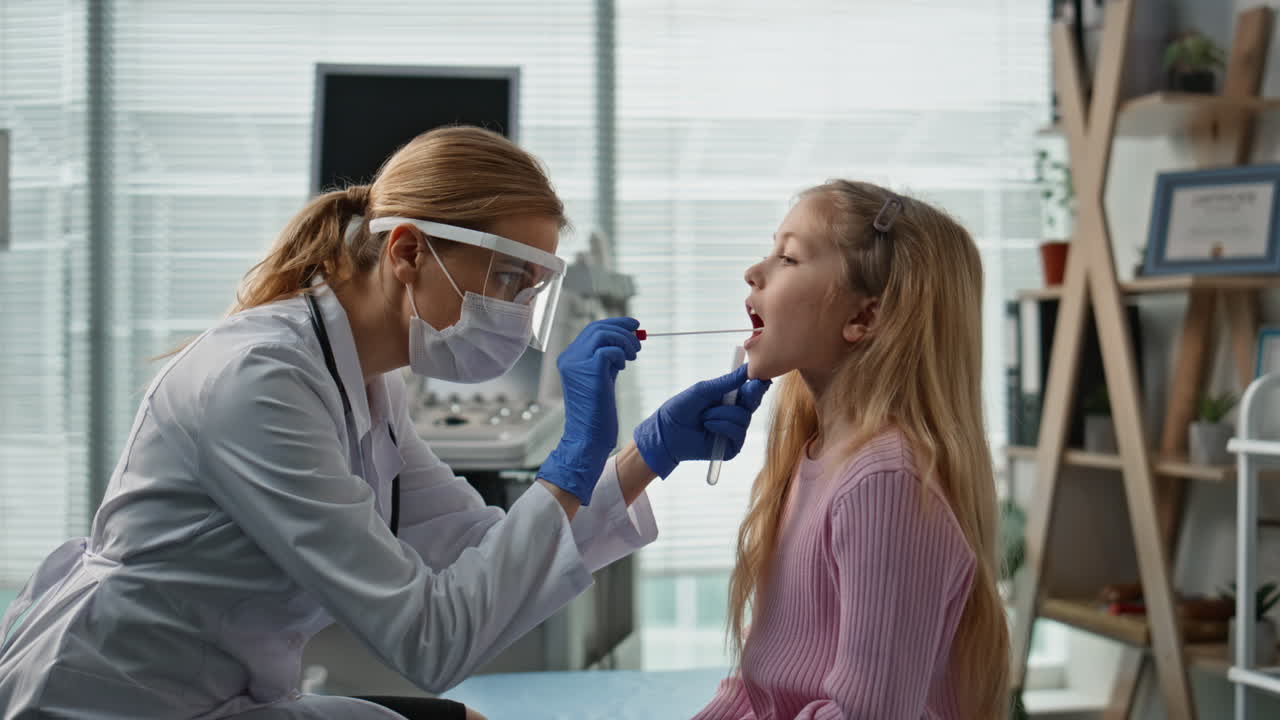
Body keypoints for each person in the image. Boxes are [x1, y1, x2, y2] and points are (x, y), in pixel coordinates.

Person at [0, 126, 771, 720]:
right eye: (506, 277)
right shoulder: (260, 381)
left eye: (531, 287)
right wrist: (571, 457)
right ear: (406, 250)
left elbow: (477, 548)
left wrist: (647, 454)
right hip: (110, 698)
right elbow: (429, 640)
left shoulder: (368, 383)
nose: (513, 312)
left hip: (214, 695)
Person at [692, 180, 1009, 719]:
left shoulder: (884, 481)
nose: (754, 271)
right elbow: (756, 688)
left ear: (863, 318)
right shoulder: (812, 459)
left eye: (788, 257)